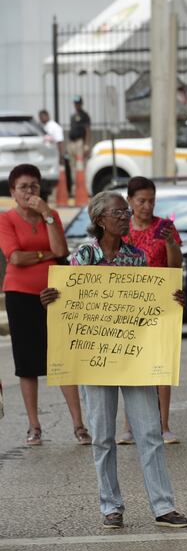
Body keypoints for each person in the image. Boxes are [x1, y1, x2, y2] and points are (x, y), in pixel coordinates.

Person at [42, 191, 187, 530]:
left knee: (150, 431)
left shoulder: (136, 257)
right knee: (102, 436)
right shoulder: (84, 256)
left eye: (126, 212)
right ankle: (111, 506)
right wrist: (52, 299)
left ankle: (163, 506)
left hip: (133, 356)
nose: (126, 217)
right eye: (118, 212)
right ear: (100, 220)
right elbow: (71, 300)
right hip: (95, 357)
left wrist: (171, 301)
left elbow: (148, 303)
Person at [0, 164, 87, 446]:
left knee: (61, 357)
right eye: (23, 187)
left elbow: (60, 250)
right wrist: (45, 254)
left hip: (53, 293)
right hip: (20, 293)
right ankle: (34, 426)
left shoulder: (52, 215)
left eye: (34, 186)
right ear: (13, 192)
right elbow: (15, 257)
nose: (29, 192)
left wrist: (47, 215)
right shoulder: (6, 219)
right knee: (27, 363)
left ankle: (79, 425)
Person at [118, 176, 183, 445]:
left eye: (151, 201)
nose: (147, 206)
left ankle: (163, 425)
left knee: (161, 363)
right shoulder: (122, 229)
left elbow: (175, 266)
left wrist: (170, 243)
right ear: (130, 201)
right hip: (129, 305)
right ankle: (129, 425)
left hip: (160, 303)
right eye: (141, 201)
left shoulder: (165, 227)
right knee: (131, 363)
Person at [37, 110, 66, 194]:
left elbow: (60, 142)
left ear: (47, 116)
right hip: (45, 156)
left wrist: (61, 156)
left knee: (55, 175)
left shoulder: (55, 127)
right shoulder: (43, 127)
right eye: (40, 117)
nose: (40, 119)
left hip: (54, 155)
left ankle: (57, 193)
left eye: (42, 117)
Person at [68, 97, 91, 180]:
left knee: (81, 163)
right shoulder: (73, 116)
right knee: (72, 164)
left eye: (78, 103)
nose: (76, 105)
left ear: (81, 104)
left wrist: (87, 144)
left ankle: (84, 181)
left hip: (80, 141)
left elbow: (87, 130)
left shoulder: (84, 115)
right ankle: (74, 183)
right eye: (75, 103)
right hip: (72, 142)